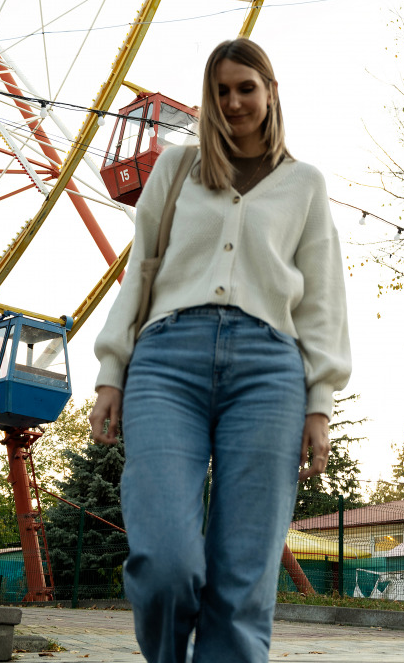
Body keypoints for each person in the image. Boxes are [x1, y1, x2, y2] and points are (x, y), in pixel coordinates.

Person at [89, 39, 351, 663]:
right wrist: (110, 372)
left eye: (246, 88)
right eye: (221, 90)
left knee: (243, 580)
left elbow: (321, 300)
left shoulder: (304, 185)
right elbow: (140, 276)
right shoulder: (175, 170)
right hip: (165, 363)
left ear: (270, 93)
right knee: (164, 563)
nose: (233, 101)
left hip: (269, 372)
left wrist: (321, 402)